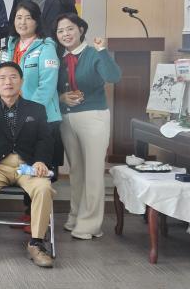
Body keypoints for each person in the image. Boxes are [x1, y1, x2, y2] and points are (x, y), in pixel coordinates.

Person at [0, 62, 56, 268]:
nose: (8, 82)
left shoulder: (36, 109)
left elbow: (45, 139)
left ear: (21, 81)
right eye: (2, 78)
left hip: (28, 166)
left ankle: (36, 243)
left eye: (13, 77)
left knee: (44, 188)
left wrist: (41, 160)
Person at [0, 1, 61, 232]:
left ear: (37, 21)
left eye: (28, 17)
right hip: (14, 117)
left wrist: (29, 112)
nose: (22, 22)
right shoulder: (10, 45)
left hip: (42, 117)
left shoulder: (46, 47)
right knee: (21, 160)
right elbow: (0, 79)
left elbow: (47, 85)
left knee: (38, 163)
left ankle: (36, 218)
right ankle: (28, 213)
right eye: (18, 17)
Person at [53, 13, 121, 240]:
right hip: (67, 119)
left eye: (70, 29)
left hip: (93, 117)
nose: (65, 34)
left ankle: (90, 224)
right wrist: (62, 98)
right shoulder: (60, 59)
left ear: (81, 30)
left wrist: (103, 51)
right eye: (60, 31)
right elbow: (54, 89)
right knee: (76, 172)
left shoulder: (93, 53)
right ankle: (75, 216)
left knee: (93, 172)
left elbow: (114, 76)